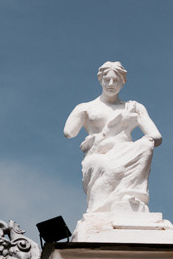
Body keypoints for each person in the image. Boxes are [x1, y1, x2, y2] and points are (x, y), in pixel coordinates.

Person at [64, 61, 161, 223]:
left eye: (116, 80)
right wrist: (107, 131)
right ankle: (102, 207)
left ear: (123, 82)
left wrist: (126, 124)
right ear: (100, 79)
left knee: (145, 145)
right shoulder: (86, 107)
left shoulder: (133, 107)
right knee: (104, 165)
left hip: (126, 150)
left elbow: (156, 136)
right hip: (98, 154)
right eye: (107, 79)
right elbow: (69, 132)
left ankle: (130, 197)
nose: (110, 84)